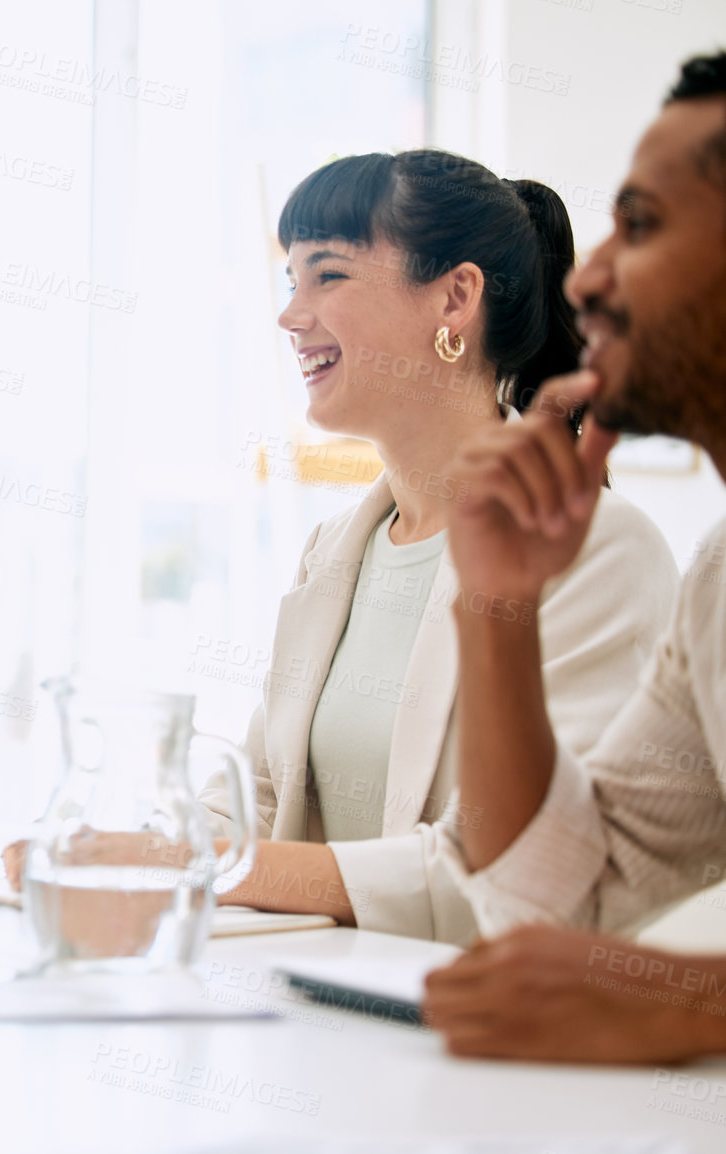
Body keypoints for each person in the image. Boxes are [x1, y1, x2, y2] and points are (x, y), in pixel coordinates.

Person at [196, 149, 677, 943]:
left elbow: (529, 868)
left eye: (329, 276)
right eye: (292, 282)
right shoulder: (332, 552)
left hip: (486, 1044)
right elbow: (259, 795)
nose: (291, 314)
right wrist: (134, 842)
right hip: (319, 1017)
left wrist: (214, 867)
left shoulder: (599, 550)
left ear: (454, 298)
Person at [424, 51, 726, 1062]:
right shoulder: (720, 579)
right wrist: (497, 604)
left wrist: (684, 1000)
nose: (587, 276)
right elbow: (569, 897)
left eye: (638, 226)